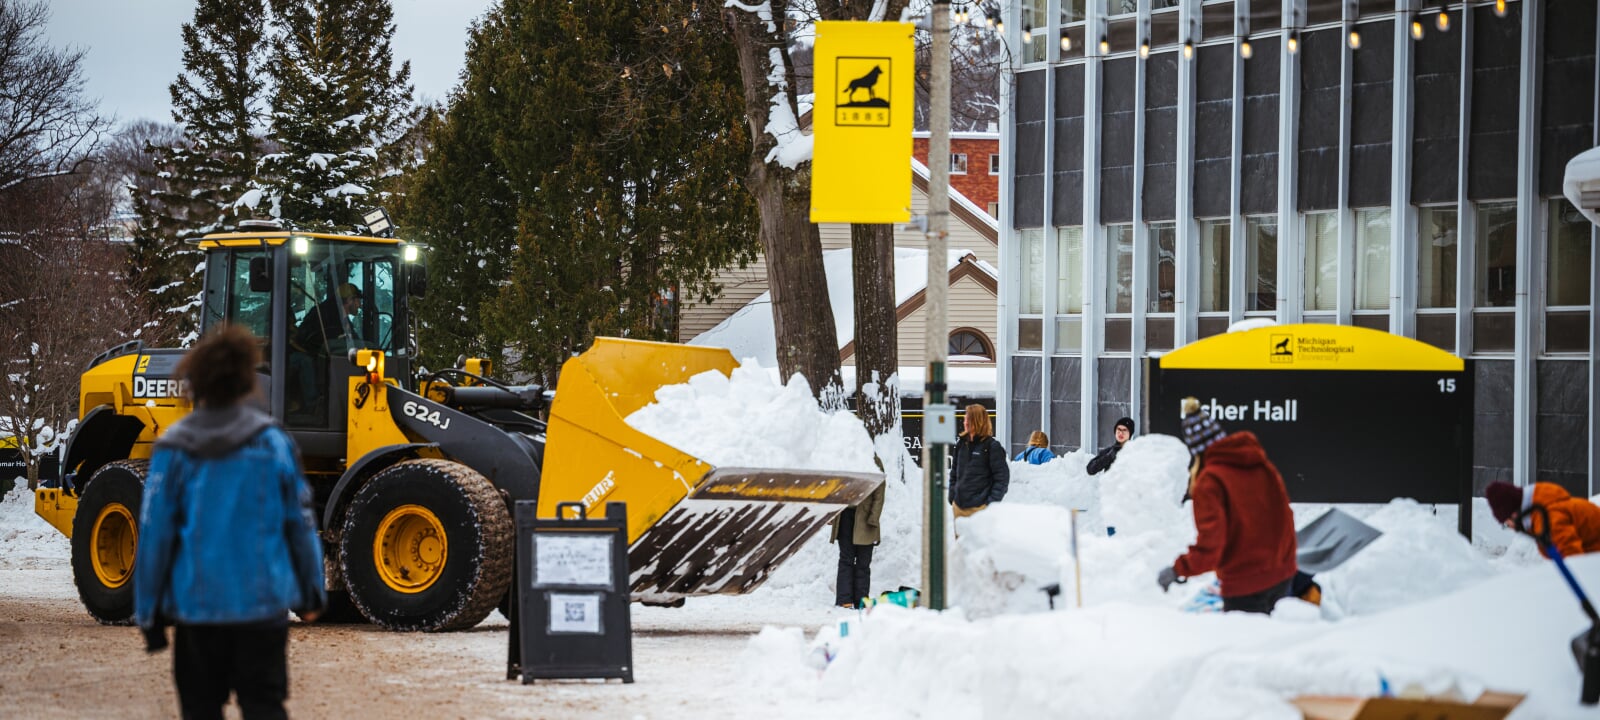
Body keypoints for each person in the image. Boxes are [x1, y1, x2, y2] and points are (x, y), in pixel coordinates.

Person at [134, 324, 326, 720]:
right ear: (246, 381)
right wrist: (311, 593)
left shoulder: (173, 448)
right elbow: (300, 524)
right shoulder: (274, 443)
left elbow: (155, 534)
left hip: (198, 612)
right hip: (263, 610)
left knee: (201, 711)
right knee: (264, 707)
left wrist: (149, 612)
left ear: (197, 382)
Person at [1157, 397, 1296, 615]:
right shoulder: (1262, 465)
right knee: (1275, 647)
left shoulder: (1210, 482)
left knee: (1246, 648)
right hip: (1283, 577)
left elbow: (1212, 544)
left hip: (1245, 586)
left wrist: (1178, 569)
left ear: (1195, 450)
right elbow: (1285, 517)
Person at [288, 282, 361, 413]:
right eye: (357, 301)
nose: (359, 305)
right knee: (307, 362)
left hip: (323, 358)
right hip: (305, 354)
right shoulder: (325, 316)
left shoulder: (342, 319)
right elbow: (311, 340)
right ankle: (314, 407)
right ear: (349, 300)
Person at [1486, 480, 1600, 558]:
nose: (1511, 528)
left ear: (1514, 514)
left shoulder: (1548, 517)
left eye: (1506, 524)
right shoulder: (1541, 511)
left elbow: (1572, 560)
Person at [831, 484, 885, 609]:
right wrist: (832, 514)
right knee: (846, 559)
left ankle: (861, 600)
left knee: (863, 562)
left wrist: (873, 518)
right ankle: (844, 600)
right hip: (844, 515)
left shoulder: (875, 463)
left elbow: (879, 493)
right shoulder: (845, 463)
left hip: (865, 519)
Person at [949, 404, 1009, 518]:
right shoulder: (961, 444)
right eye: (965, 419)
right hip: (959, 507)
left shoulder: (992, 446)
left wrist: (990, 504)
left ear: (978, 421)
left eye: (969, 420)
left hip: (980, 509)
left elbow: (1002, 478)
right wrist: (952, 495)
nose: (965, 423)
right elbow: (954, 472)